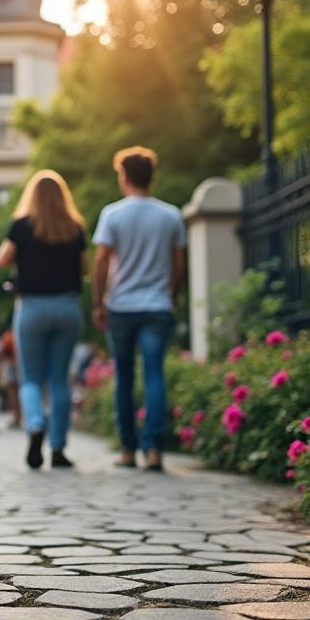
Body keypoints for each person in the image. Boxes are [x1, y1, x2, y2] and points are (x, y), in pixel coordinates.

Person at [92, 146, 186, 472]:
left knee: (124, 377)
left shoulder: (113, 214)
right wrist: (170, 294)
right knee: (154, 374)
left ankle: (129, 450)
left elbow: (102, 260)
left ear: (125, 176)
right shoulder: (171, 215)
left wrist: (98, 301)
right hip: (158, 305)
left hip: (121, 306)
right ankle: (155, 449)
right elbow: (179, 262)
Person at [0, 170, 88, 470]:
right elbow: (83, 269)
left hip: (32, 308)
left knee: (31, 379)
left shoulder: (22, 227)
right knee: (60, 380)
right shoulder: (75, 228)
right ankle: (58, 448)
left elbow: (2, 260)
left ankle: (35, 424)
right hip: (67, 307)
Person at [0, 327, 21, 428]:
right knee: (21, 392)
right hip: (24, 366)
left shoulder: (8, 336)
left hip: (12, 365)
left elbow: (2, 351)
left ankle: (16, 417)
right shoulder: (24, 332)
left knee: (13, 394)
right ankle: (20, 417)